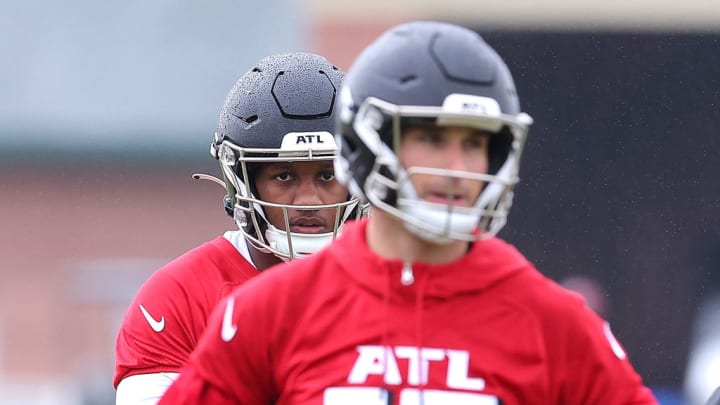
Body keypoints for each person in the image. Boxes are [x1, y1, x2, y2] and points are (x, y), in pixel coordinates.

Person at [159, 21, 657, 404]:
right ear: (366, 144)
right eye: (433, 139)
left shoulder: (557, 324)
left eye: (475, 143)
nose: (459, 168)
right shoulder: (270, 313)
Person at [113, 52, 361, 404]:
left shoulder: (400, 284)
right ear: (242, 181)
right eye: (284, 176)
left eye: (327, 175)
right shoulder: (180, 296)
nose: (308, 200)